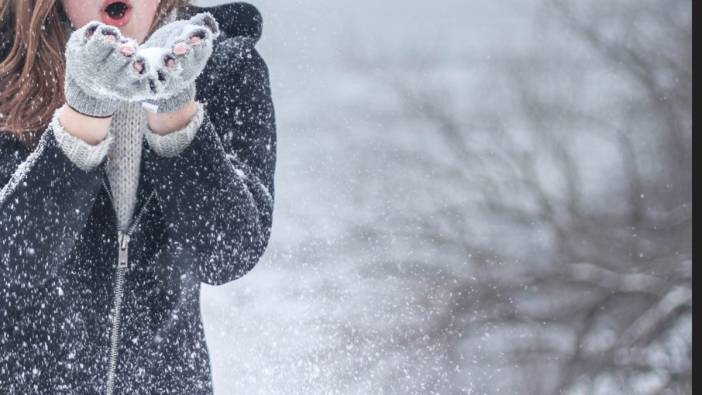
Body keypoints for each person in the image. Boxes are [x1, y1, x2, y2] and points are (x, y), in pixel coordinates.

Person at [0, 0, 276, 393]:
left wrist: (177, 115)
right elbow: (13, 265)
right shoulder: (8, 65)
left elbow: (228, 254)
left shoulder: (226, 66)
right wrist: (84, 116)